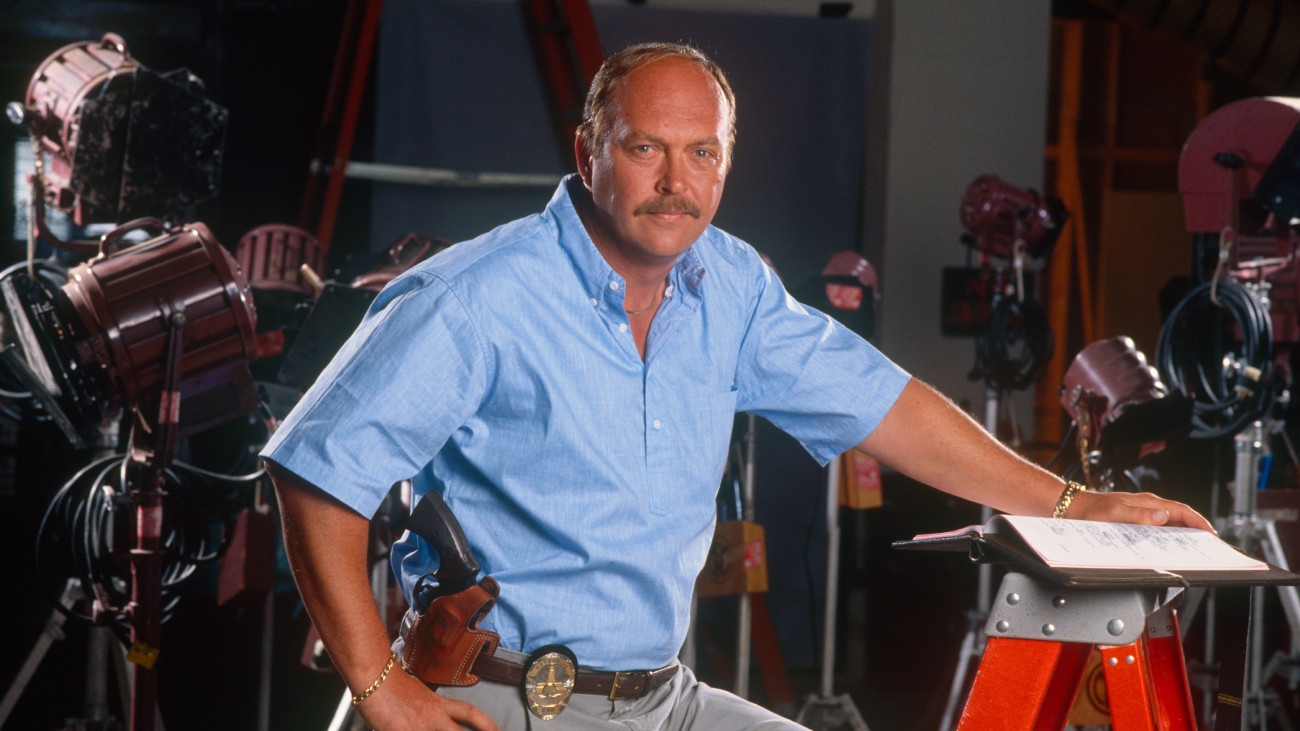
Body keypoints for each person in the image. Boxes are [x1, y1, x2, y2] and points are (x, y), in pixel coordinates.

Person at [262, 42, 1212, 731]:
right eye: (645, 149)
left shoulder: (732, 284)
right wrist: (382, 686)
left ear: (727, 159)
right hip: (500, 698)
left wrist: (1077, 499)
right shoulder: (475, 296)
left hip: (660, 698)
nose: (676, 182)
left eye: (702, 153)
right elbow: (314, 472)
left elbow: (890, 408)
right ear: (590, 145)